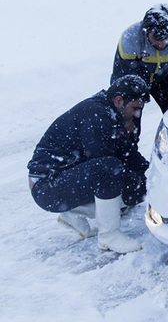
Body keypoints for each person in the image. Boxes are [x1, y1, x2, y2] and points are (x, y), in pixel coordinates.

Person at [28, 75, 150, 253]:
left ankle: (74, 212)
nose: (137, 115)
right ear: (119, 100)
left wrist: (153, 176)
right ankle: (109, 236)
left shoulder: (111, 114)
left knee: (139, 187)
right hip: (47, 185)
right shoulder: (96, 114)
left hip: (65, 179)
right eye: (135, 108)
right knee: (111, 170)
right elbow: (103, 163)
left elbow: (129, 155)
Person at [111, 3, 168, 113]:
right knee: (128, 115)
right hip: (136, 75)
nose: (162, 44)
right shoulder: (130, 38)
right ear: (146, 31)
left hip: (164, 76)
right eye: (156, 38)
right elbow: (122, 78)